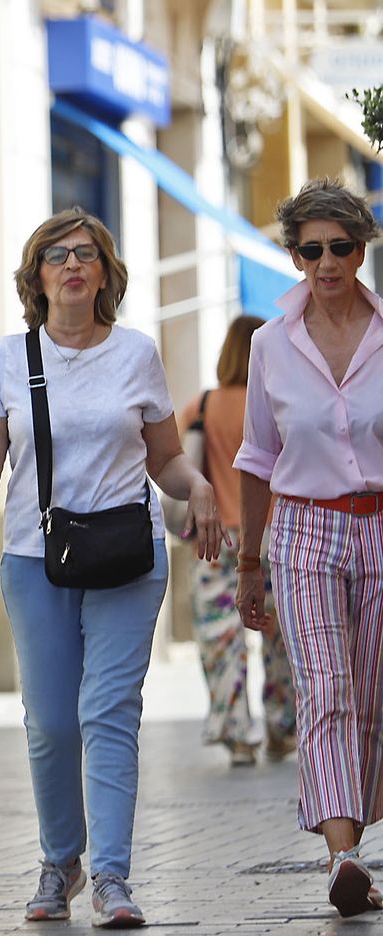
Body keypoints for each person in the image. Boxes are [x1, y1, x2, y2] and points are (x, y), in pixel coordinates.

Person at [0, 208, 222, 929]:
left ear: (105, 273)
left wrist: (199, 487)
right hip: (36, 560)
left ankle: (112, 877)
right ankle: (59, 860)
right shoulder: (7, 359)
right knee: (50, 723)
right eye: (57, 255)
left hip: (128, 554)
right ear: (37, 274)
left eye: (86, 254)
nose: (72, 265)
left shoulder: (135, 355)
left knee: (108, 714)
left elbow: (164, 457)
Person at [233, 178, 383, 917]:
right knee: (326, 687)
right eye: (311, 249)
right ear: (294, 256)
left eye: (341, 247)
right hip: (304, 530)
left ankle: (357, 837)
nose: (327, 262)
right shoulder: (270, 344)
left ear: (362, 248)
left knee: (374, 691)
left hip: (382, 521)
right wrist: (250, 562)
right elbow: (257, 457)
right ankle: (343, 857)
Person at [177, 315, 294, 767]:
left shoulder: (201, 406)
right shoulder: (277, 405)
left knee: (221, 639)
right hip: (269, 537)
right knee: (279, 635)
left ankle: (238, 734)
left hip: (212, 541)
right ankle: (282, 728)